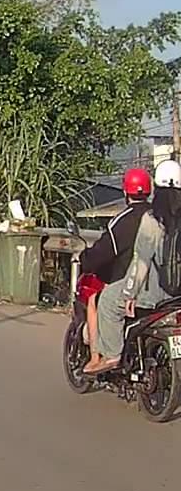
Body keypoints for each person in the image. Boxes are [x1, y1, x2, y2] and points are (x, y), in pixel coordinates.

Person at [84, 161, 181, 375]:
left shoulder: (152, 219)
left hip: (154, 294)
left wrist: (129, 294)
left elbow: (141, 262)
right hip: (177, 296)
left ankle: (111, 355)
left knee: (108, 302)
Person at [76, 166, 153, 371]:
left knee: (102, 302)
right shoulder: (159, 216)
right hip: (162, 286)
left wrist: (86, 259)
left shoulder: (123, 220)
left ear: (125, 191)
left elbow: (103, 252)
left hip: (133, 283)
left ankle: (106, 356)